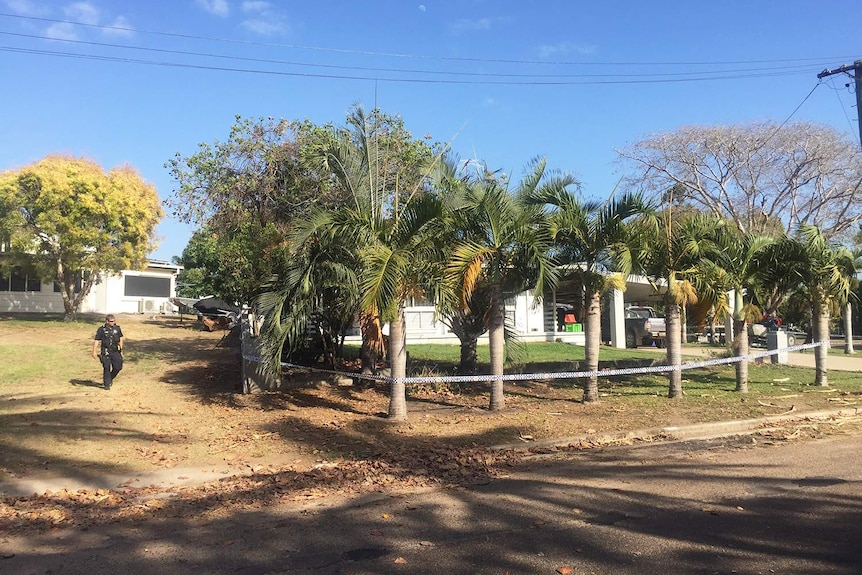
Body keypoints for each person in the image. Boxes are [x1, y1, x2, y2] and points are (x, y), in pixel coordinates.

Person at [93, 314, 124, 390]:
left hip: (115, 350)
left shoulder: (117, 328)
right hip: (106, 351)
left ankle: (110, 378)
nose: (113, 322)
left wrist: (121, 348)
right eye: (111, 321)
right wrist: (94, 351)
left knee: (118, 367)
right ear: (107, 321)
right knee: (106, 367)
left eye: (114, 321)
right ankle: (107, 384)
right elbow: (97, 340)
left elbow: (121, 338)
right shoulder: (102, 330)